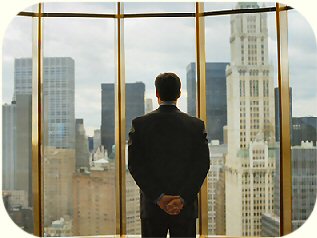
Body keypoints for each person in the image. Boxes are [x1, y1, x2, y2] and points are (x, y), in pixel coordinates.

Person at [128, 72, 210, 237]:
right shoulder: (195, 126)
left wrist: (159, 198)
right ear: (179, 94)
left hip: (152, 208)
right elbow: (202, 166)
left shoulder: (140, 125)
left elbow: (135, 166)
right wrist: (182, 199)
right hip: (184, 210)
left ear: (157, 93)